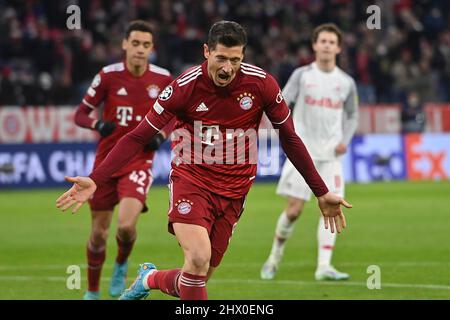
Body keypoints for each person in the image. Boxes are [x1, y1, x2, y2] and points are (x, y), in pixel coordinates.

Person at [57, 20, 351, 300]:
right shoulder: (184, 87)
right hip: (192, 181)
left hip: (235, 192)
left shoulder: (262, 84)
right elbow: (136, 136)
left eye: (235, 60)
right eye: (221, 58)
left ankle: (149, 279)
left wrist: (321, 191)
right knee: (198, 258)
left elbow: (289, 137)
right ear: (206, 51)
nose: (228, 68)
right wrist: (96, 179)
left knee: (195, 277)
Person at [73, 20, 173, 300]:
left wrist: (162, 135)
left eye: (146, 45)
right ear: (125, 44)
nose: (140, 50)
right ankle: (92, 291)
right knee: (98, 235)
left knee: (126, 227)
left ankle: (120, 264)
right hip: (106, 164)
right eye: (136, 43)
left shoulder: (164, 79)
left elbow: (176, 113)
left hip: (139, 162)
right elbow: (81, 113)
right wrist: (97, 125)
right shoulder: (107, 75)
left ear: (152, 48)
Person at [260, 23, 359, 281]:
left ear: (338, 47)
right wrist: (285, 132)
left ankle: (323, 267)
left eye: (331, 42)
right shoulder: (302, 75)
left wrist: (345, 140)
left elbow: (352, 115)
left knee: (333, 207)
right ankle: (274, 256)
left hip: (331, 157)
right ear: (315, 45)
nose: (326, 45)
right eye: (322, 41)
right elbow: (281, 102)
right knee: (293, 211)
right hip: (302, 155)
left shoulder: (346, 82)